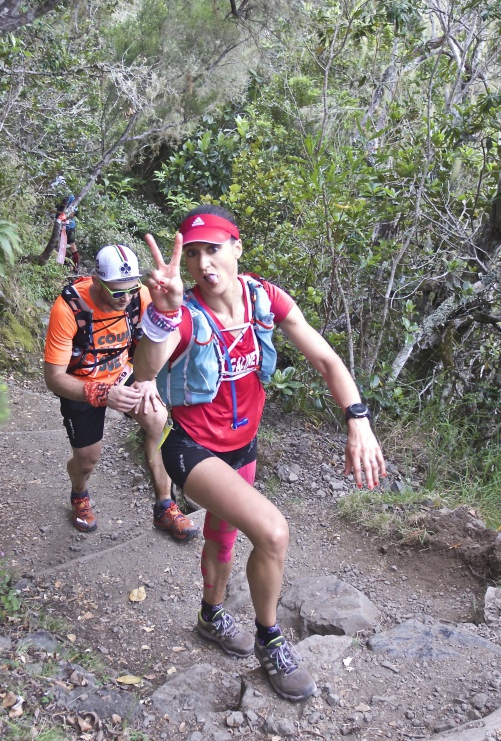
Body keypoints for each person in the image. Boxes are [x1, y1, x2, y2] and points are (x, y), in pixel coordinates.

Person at [131, 206, 385, 702]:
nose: (203, 264)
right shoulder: (183, 314)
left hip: (243, 446)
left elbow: (325, 358)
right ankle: (271, 640)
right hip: (190, 447)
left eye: (213, 249)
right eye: (193, 254)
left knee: (223, 537)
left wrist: (357, 417)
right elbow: (144, 373)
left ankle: (210, 616)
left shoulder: (263, 298)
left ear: (237, 248)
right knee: (272, 531)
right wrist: (161, 314)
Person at [43, 244, 200, 540]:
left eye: (131, 289)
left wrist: (148, 378)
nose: (126, 298)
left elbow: (169, 334)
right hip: (83, 383)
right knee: (87, 459)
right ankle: (79, 493)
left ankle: (165, 506)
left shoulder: (139, 296)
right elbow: (53, 378)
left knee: (158, 420)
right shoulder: (68, 309)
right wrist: (102, 393)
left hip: (124, 371)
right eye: (117, 292)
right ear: (96, 281)